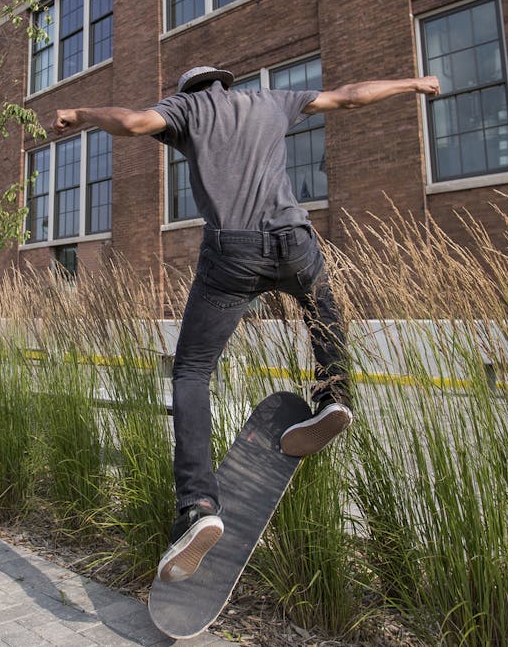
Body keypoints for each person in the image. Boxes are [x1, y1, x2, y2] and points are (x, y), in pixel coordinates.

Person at [53, 65, 439, 582]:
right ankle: (333, 396)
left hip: (233, 253)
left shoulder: (185, 108)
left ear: (188, 91)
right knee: (323, 313)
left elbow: (133, 122)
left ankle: (196, 506)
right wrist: (410, 83)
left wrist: (80, 114)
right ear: (226, 84)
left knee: (192, 369)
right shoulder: (268, 101)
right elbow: (349, 96)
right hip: (295, 242)